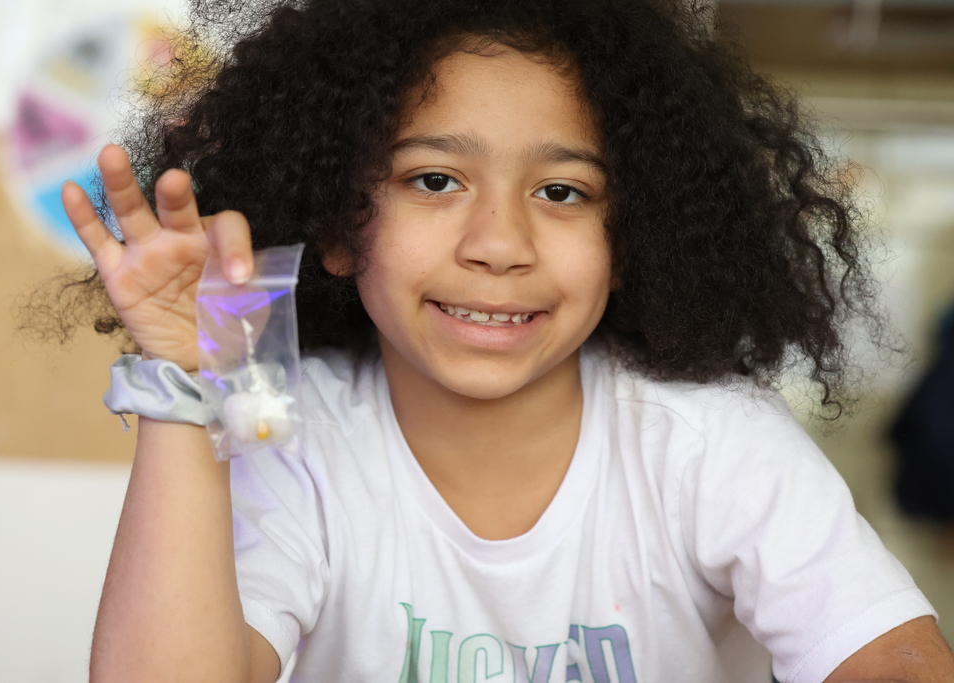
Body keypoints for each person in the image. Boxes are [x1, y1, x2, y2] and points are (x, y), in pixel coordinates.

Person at [55, 0, 954, 680]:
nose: (499, 243)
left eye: (561, 191)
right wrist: (182, 381)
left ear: (631, 236)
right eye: (435, 178)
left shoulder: (714, 441)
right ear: (336, 222)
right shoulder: (296, 438)